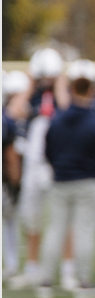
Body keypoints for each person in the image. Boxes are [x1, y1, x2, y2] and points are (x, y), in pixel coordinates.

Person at [36, 60, 95, 298]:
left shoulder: (57, 120)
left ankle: (46, 281)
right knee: (84, 231)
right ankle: (83, 280)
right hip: (88, 181)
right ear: (91, 91)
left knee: (55, 230)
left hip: (61, 180)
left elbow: (47, 149)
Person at [8, 46, 64, 289]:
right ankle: (32, 267)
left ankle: (65, 268)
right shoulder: (30, 95)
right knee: (32, 217)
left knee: (61, 219)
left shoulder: (63, 95)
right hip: (33, 165)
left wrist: (60, 84)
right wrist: (30, 83)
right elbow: (12, 112)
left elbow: (67, 108)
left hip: (58, 164)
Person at [3, 71, 31, 279]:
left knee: (20, 222)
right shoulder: (7, 120)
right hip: (12, 178)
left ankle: (21, 265)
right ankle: (14, 265)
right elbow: (11, 155)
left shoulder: (32, 115)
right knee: (12, 222)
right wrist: (15, 181)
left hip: (25, 176)